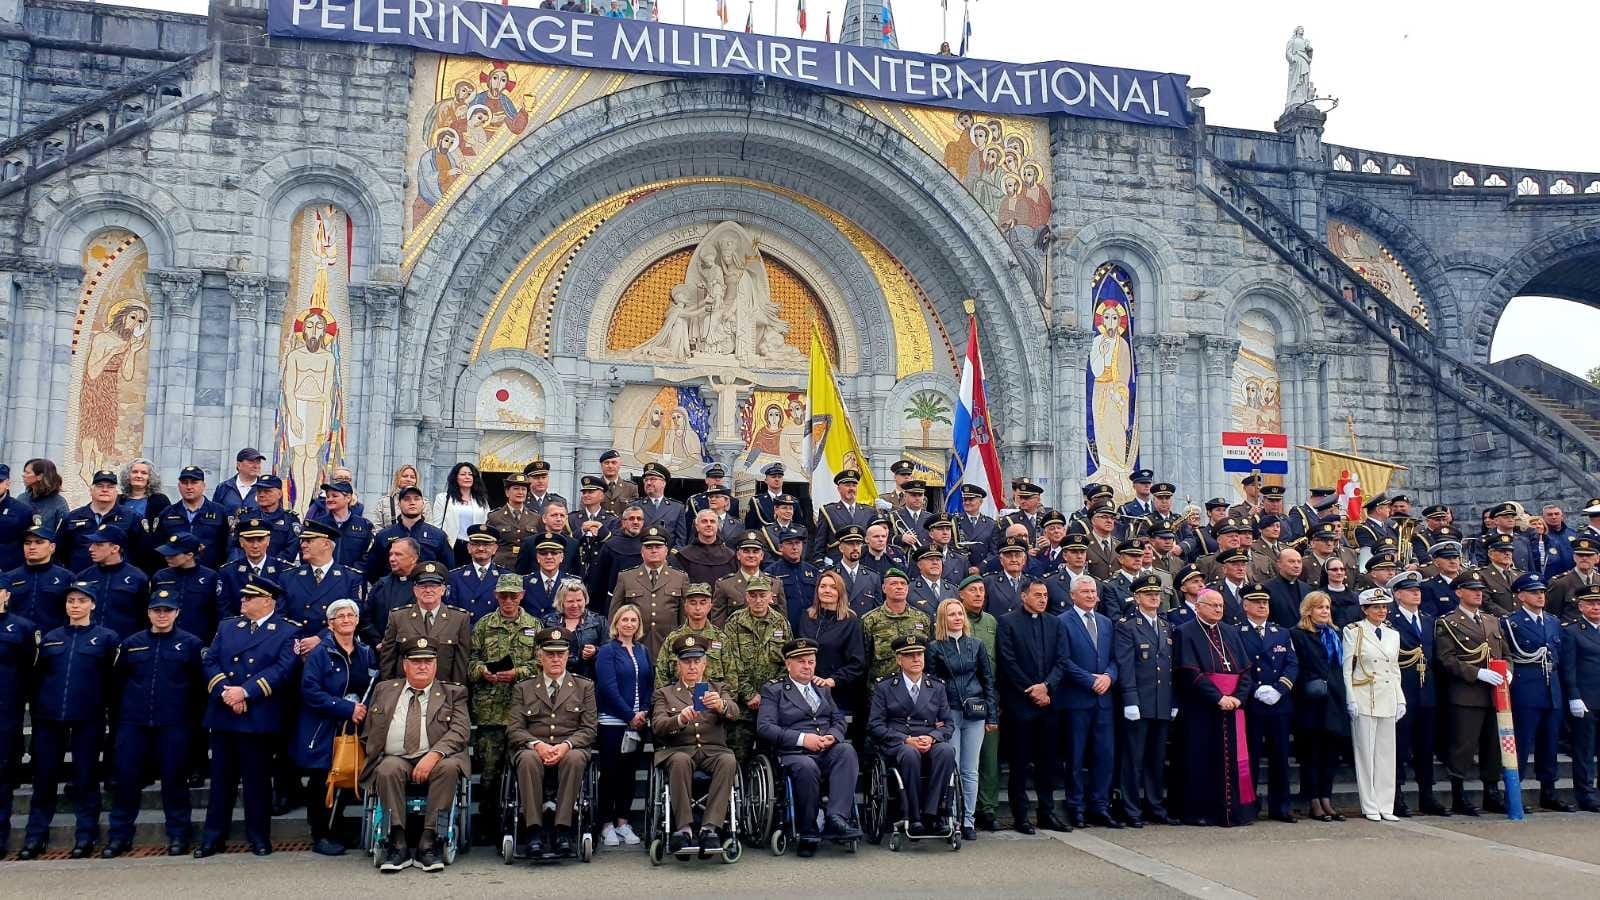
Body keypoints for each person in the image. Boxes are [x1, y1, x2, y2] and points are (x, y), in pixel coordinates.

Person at [195, 575, 299, 857]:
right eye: (243, 596)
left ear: (267, 602)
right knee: (221, 782)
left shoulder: (287, 631)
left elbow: (282, 670)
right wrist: (226, 693)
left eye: (249, 597)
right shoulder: (228, 626)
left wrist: (245, 692)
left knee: (257, 782)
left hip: (258, 716)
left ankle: (259, 837)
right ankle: (213, 838)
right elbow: (210, 660)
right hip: (225, 713)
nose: (243, 601)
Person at [17, 580, 119, 859]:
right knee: (44, 780)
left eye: (82, 601)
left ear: (93, 604)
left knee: (86, 779)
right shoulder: (51, 638)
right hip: (50, 717)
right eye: (71, 601)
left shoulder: (107, 638)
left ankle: (85, 836)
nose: (75, 606)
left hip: (88, 717)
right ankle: (35, 837)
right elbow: (37, 677)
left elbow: (113, 681)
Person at [105, 589, 204, 857]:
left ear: (177, 612)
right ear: (148, 613)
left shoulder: (191, 644)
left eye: (167, 610)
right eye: (157, 610)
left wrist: (191, 723)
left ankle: (179, 835)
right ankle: (119, 836)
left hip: (174, 723)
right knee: (127, 781)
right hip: (134, 723)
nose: (162, 615)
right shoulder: (131, 643)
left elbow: (198, 687)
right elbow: (117, 684)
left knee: (175, 781)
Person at [363, 641, 472, 873]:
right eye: (416, 662)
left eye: (428, 661)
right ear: (405, 665)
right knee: (386, 769)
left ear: (435, 665)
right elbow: (369, 730)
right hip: (396, 757)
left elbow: (460, 731)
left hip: (439, 757)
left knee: (449, 768)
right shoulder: (384, 690)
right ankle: (397, 843)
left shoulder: (453, 693)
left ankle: (429, 841)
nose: (422, 666)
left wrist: (434, 755)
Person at [757, 637, 860, 856]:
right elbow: (765, 727)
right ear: (788, 664)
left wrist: (832, 736)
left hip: (826, 748)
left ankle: (837, 818)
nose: (807, 666)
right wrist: (803, 739)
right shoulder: (774, 690)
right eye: (801, 662)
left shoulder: (822, 689)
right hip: (794, 752)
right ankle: (808, 829)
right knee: (806, 766)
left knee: (847, 751)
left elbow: (838, 720)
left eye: (811, 662)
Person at [293, 597, 376, 856]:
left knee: (346, 777)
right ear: (330, 624)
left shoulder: (365, 652)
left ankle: (336, 829)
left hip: (353, 727)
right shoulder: (320, 653)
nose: (346, 620)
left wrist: (362, 709)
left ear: (357, 620)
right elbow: (310, 690)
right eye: (340, 616)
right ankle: (320, 834)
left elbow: (373, 686)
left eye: (351, 615)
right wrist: (345, 708)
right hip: (324, 727)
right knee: (322, 781)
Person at [509, 627, 598, 858]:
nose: (555, 659)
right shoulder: (523, 688)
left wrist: (566, 745)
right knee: (527, 759)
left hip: (570, 748)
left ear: (568, 656)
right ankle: (533, 831)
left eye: (560, 654)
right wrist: (537, 745)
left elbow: (589, 729)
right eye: (550, 654)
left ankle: (563, 830)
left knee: (575, 758)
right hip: (533, 748)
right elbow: (515, 729)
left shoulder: (584, 687)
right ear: (540, 656)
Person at [1171, 588, 1255, 827]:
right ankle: (1200, 812)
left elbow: (1245, 670)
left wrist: (1238, 698)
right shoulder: (1185, 632)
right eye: (1213, 605)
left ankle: (1235, 812)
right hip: (1201, 708)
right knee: (1200, 759)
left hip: (1232, 707)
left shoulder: (1230, 631)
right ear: (1198, 607)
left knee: (1233, 760)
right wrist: (1218, 697)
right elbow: (1189, 672)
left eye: (1221, 605)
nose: (1218, 609)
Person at [651, 632, 741, 853]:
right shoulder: (664, 693)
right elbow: (658, 726)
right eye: (687, 662)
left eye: (696, 661)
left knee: (728, 761)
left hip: (713, 750)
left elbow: (735, 712)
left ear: (704, 664)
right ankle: (684, 829)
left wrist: (721, 706)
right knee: (680, 760)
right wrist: (680, 719)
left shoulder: (718, 689)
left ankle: (710, 828)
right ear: (678, 665)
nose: (692, 666)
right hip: (679, 749)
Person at [467, 571, 541, 834]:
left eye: (513, 596)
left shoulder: (534, 625)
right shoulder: (484, 625)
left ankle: (522, 824)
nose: (508, 601)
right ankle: (489, 825)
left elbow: (541, 664)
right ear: (496, 596)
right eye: (503, 596)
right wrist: (482, 671)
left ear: (522, 595)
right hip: (491, 711)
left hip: (524, 711)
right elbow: (470, 662)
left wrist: (517, 673)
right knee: (490, 773)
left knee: (525, 770)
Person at [995, 577, 1069, 833]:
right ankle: (1021, 816)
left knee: (1047, 763)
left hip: (1048, 704)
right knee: (1019, 764)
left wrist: (1046, 687)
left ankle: (1047, 813)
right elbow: (1008, 661)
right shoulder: (1007, 622)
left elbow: (1062, 660)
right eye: (1037, 595)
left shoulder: (1055, 623)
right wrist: (1032, 690)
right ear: (1024, 596)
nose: (1043, 599)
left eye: (1045, 595)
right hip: (1020, 705)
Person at [1435, 568, 1509, 816]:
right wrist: (1477, 673)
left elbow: (1505, 653)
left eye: (1480, 590)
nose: (1478, 594)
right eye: (1473, 590)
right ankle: (1458, 794)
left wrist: (1508, 671)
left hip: (1495, 694)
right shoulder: (1448, 622)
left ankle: (1491, 792)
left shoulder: (1491, 620)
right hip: (1466, 693)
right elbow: (1446, 659)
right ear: (1459, 592)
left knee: (1493, 746)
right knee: (1463, 746)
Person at [868, 634, 957, 835]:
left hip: (928, 739)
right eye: (910, 655)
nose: (916, 659)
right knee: (909, 753)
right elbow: (875, 725)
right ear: (899, 659)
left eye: (919, 654)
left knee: (946, 751)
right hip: (899, 742)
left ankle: (933, 814)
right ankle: (913, 815)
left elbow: (948, 723)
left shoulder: (936, 686)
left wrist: (932, 737)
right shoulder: (885, 687)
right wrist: (906, 739)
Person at [1502, 573, 1574, 811]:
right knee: (1522, 744)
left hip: (1551, 689)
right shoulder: (1511, 623)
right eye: (1534, 592)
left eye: (1542, 592)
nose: (1540, 596)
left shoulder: (1553, 621)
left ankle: (1548, 791)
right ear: (1521, 596)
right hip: (1526, 689)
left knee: (1550, 744)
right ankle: (1514, 793)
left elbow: (1559, 656)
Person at [926, 597, 996, 841]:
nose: (957, 618)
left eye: (959, 614)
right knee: (952, 766)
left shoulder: (976, 645)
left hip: (975, 712)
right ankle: (951, 817)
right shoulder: (935, 647)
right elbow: (931, 684)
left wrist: (991, 716)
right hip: (950, 713)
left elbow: (987, 680)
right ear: (942, 619)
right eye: (951, 614)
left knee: (970, 769)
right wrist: (936, 716)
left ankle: (968, 820)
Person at [1113, 574, 1177, 827]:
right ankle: (1131, 809)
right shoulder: (1127, 626)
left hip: (1161, 701)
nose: (1154, 598)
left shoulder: (1166, 626)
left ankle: (1155, 806)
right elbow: (1126, 665)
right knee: (1133, 759)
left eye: (1157, 594)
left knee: (1156, 759)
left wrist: (1173, 700)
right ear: (1137, 598)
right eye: (1148, 594)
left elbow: (1170, 667)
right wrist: (1130, 699)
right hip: (1139, 701)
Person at [1058, 575, 1119, 829]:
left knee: (1104, 755)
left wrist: (1108, 677)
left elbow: (1115, 658)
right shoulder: (1062, 622)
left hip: (1104, 700)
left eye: (1093, 591)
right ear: (1073, 595)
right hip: (1077, 699)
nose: (1091, 595)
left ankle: (1100, 805)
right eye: (1085, 592)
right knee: (1075, 756)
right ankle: (1076, 807)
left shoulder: (1105, 622)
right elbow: (1063, 660)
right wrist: (1089, 680)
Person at [1387, 570, 1446, 816]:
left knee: (1425, 744)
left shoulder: (1428, 619)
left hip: (1426, 690)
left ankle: (1426, 794)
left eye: (1418, 590)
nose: (1416, 594)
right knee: (1399, 745)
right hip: (1403, 689)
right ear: (1398, 594)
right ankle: (1396, 794)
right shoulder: (1390, 620)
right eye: (1410, 590)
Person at [1342, 588, 1403, 821]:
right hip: (1364, 695)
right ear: (1365, 609)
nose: (1381, 611)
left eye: (1384, 607)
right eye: (1376, 607)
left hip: (1387, 696)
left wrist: (1400, 698)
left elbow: (1394, 669)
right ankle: (1369, 805)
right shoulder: (1354, 631)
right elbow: (1347, 668)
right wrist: (1350, 698)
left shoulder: (1392, 634)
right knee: (1365, 754)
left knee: (1387, 754)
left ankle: (1386, 805)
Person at [1238, 581, 1297, 823]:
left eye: (1265, 602)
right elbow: (1237, 666)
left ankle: (1281, 806)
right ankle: (1248, 805)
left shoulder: (1281, 632)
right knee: (1250, 757)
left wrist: (1280, 689)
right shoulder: (1237, 632)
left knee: (1280, 757)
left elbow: (1292, 663)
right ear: (1245, 605)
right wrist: (1255, 689)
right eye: (1256, 602)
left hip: (1278, 703)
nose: (1262, 606)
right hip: (1252, 703)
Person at [594, 603, 652, 846]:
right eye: (624, 620)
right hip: (612, 722)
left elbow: (649, 684)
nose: (629, 624)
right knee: (610, 774)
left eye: (633, 620)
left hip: (637, 724)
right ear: (616, 623)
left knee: (629, 774)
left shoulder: (643, 651)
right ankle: (606, 824)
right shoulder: (607, 651)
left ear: (639, 625)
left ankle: (623, 822)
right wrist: (629, 715)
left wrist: (643, 712)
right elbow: (607, 687)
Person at [1289, 591, 1348, 822]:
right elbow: (1296, 666)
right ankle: (1313, 800)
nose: (1325, 611)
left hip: (1334, 700)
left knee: (1331, 754)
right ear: (1308, 610)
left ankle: (1326, 798)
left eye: (1327, 607)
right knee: (1311, 754)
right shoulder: (1298, 634)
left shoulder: (1334, 633)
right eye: (1319, 607)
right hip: (1310, 702)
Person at [722, 574, 789, 758]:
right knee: (738, 757)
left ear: (770, 597)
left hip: (772, 704)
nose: (758, 600)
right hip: (743, 706)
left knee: (770, 757)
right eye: (753, 595)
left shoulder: (781, 623)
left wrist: (769, 694)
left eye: (762, 595)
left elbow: (787, 663)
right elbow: (730, 663)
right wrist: (749, 694)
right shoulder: (735, 622)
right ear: (746, 597)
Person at [380, 560, 474, 682]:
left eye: (434, 586)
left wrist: (456, 691)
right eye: (423, 586)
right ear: (415, 590)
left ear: (443, 589)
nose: (428, 590)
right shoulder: (398, 617)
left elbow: (461, 664)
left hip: (442, 690)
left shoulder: (459, 619)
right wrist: (390, 690)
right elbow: (388, 660)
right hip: (405, 689)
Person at [793, 569, 866, 724]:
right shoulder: (806, 616)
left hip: (837, 695)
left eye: (833, 587)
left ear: (840, 592)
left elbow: (857, 663)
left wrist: (831, 681)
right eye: (823, 586)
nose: (827, 590)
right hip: (806, 691)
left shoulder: (850, 621)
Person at [609, 524, 684, 656]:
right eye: (649, 547)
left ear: (666, 550)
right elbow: (615, 615)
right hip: (633, 649)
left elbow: (684, 618)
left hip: (669, 650)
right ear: (642, 551)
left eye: (658, 546)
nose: (653, 550)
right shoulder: (626, 577)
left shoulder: (680, 578)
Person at [1559, 585, 1600, 812]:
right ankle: (1585, 794)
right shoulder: (1573, 631)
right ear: (1581, 606)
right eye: (1591, 603)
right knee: (1584, 750)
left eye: (1599, 603)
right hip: (1586, 700)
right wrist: (1574, 696)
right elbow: (1569, 667)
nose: (1596, 607)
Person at [149, 465, 230, 571]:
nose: (189, 487)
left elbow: (228, 546)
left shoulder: (220, 512)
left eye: (194, 482)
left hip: (210, 574)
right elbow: (157, 547)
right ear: (179, 486)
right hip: (175, 574)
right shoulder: (167, 514)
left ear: (203, 486)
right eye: (184, 483)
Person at [76, 522, 149, 639]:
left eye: (98, 544)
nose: (91, 549)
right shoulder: (84, 576)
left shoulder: (138, 578)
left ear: (115, 548)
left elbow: (145, 617)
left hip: (124, 641)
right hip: (88, 641)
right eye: (91, 544)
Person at [365, 486, 451, 582]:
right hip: (393, 589)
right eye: (407, 499)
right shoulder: (383, 536)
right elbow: (372, 571)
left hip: (426, 588)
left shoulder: (438, 536)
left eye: (416, 499)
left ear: (423, 503)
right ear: (399, 504)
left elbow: (449, 569)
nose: (412, 502)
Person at [6, 518, 77, 633]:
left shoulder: (67, 578)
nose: (32, 547)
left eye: (39, 542)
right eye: (27, 543)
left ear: (52, 547)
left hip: (53, 638)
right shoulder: (9, 578)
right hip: (15, 637)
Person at [862, 567, 931, 682]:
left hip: (915, 684)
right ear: (884, 588)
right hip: (882, 686)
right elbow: (864, 659)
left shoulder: (922, 618)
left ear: (907, 588)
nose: (899, 587)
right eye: (893, 583)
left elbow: (928, 654)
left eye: (903, 584)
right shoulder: (870, 620)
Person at [655, 582, 725, 687]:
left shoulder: (720, 639)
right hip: (678, 695)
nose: (698, 608)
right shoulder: (673, 639)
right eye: (693, 603)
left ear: (710, 606)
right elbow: (661, 677)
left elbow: (731, 679)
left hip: (713, 695)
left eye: (703, 603)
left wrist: (722, 697)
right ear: (685, 606)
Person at [542, 578, 607, 679]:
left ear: (585, 599)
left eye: (579, 600)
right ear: (561, 602)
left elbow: (610, 650)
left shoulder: (599, 621)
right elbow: (539, 651)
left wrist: (596, 651)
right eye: (570, 601)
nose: (575, 605)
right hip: (556, 679)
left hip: (589, 679)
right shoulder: (548, 621)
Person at [446, 523, 511, 622]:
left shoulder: (506, 577)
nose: (481, 548)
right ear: (468, 548)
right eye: (476, 544)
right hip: (465, 629)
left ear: (495, 549)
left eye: (486, 545)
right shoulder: (454, 577)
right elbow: (450, 613)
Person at [312, 479, 375, 568]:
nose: (329, 499)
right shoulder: (318, 524)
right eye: (328, 496)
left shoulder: (365, 525)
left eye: (334, 496)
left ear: (348, 498)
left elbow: (369, 555)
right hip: (324, 575)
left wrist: (351, 573)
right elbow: (309, 552)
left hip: (353, 575)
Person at [486, 473, 540, 570]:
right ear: (507, 492)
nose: (520, 492)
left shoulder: (535, 517)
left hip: (527, 567)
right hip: (502, 566)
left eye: (523, 489)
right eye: (516, 488)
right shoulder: (494, 517)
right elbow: (488, 545)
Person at [211, 447, 264, 519]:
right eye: (251, 462)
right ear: (239, 465)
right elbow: (215, 515)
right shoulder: (224, 487)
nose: (256, 466)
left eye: (258, 462)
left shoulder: (267, 488)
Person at [372, 464, 428, 530]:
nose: (409, 479)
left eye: (412, 477)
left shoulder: (424, 503)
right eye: (405, 476)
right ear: (397, 478)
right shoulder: (384, 502)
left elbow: (429, 528)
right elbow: (377, 528)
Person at [21, 458, 70, 535]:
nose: (23, 475)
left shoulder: (59, 503)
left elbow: (64, 533)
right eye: (24, 472)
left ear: (40, 476)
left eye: (28, 473)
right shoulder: (22, 498)